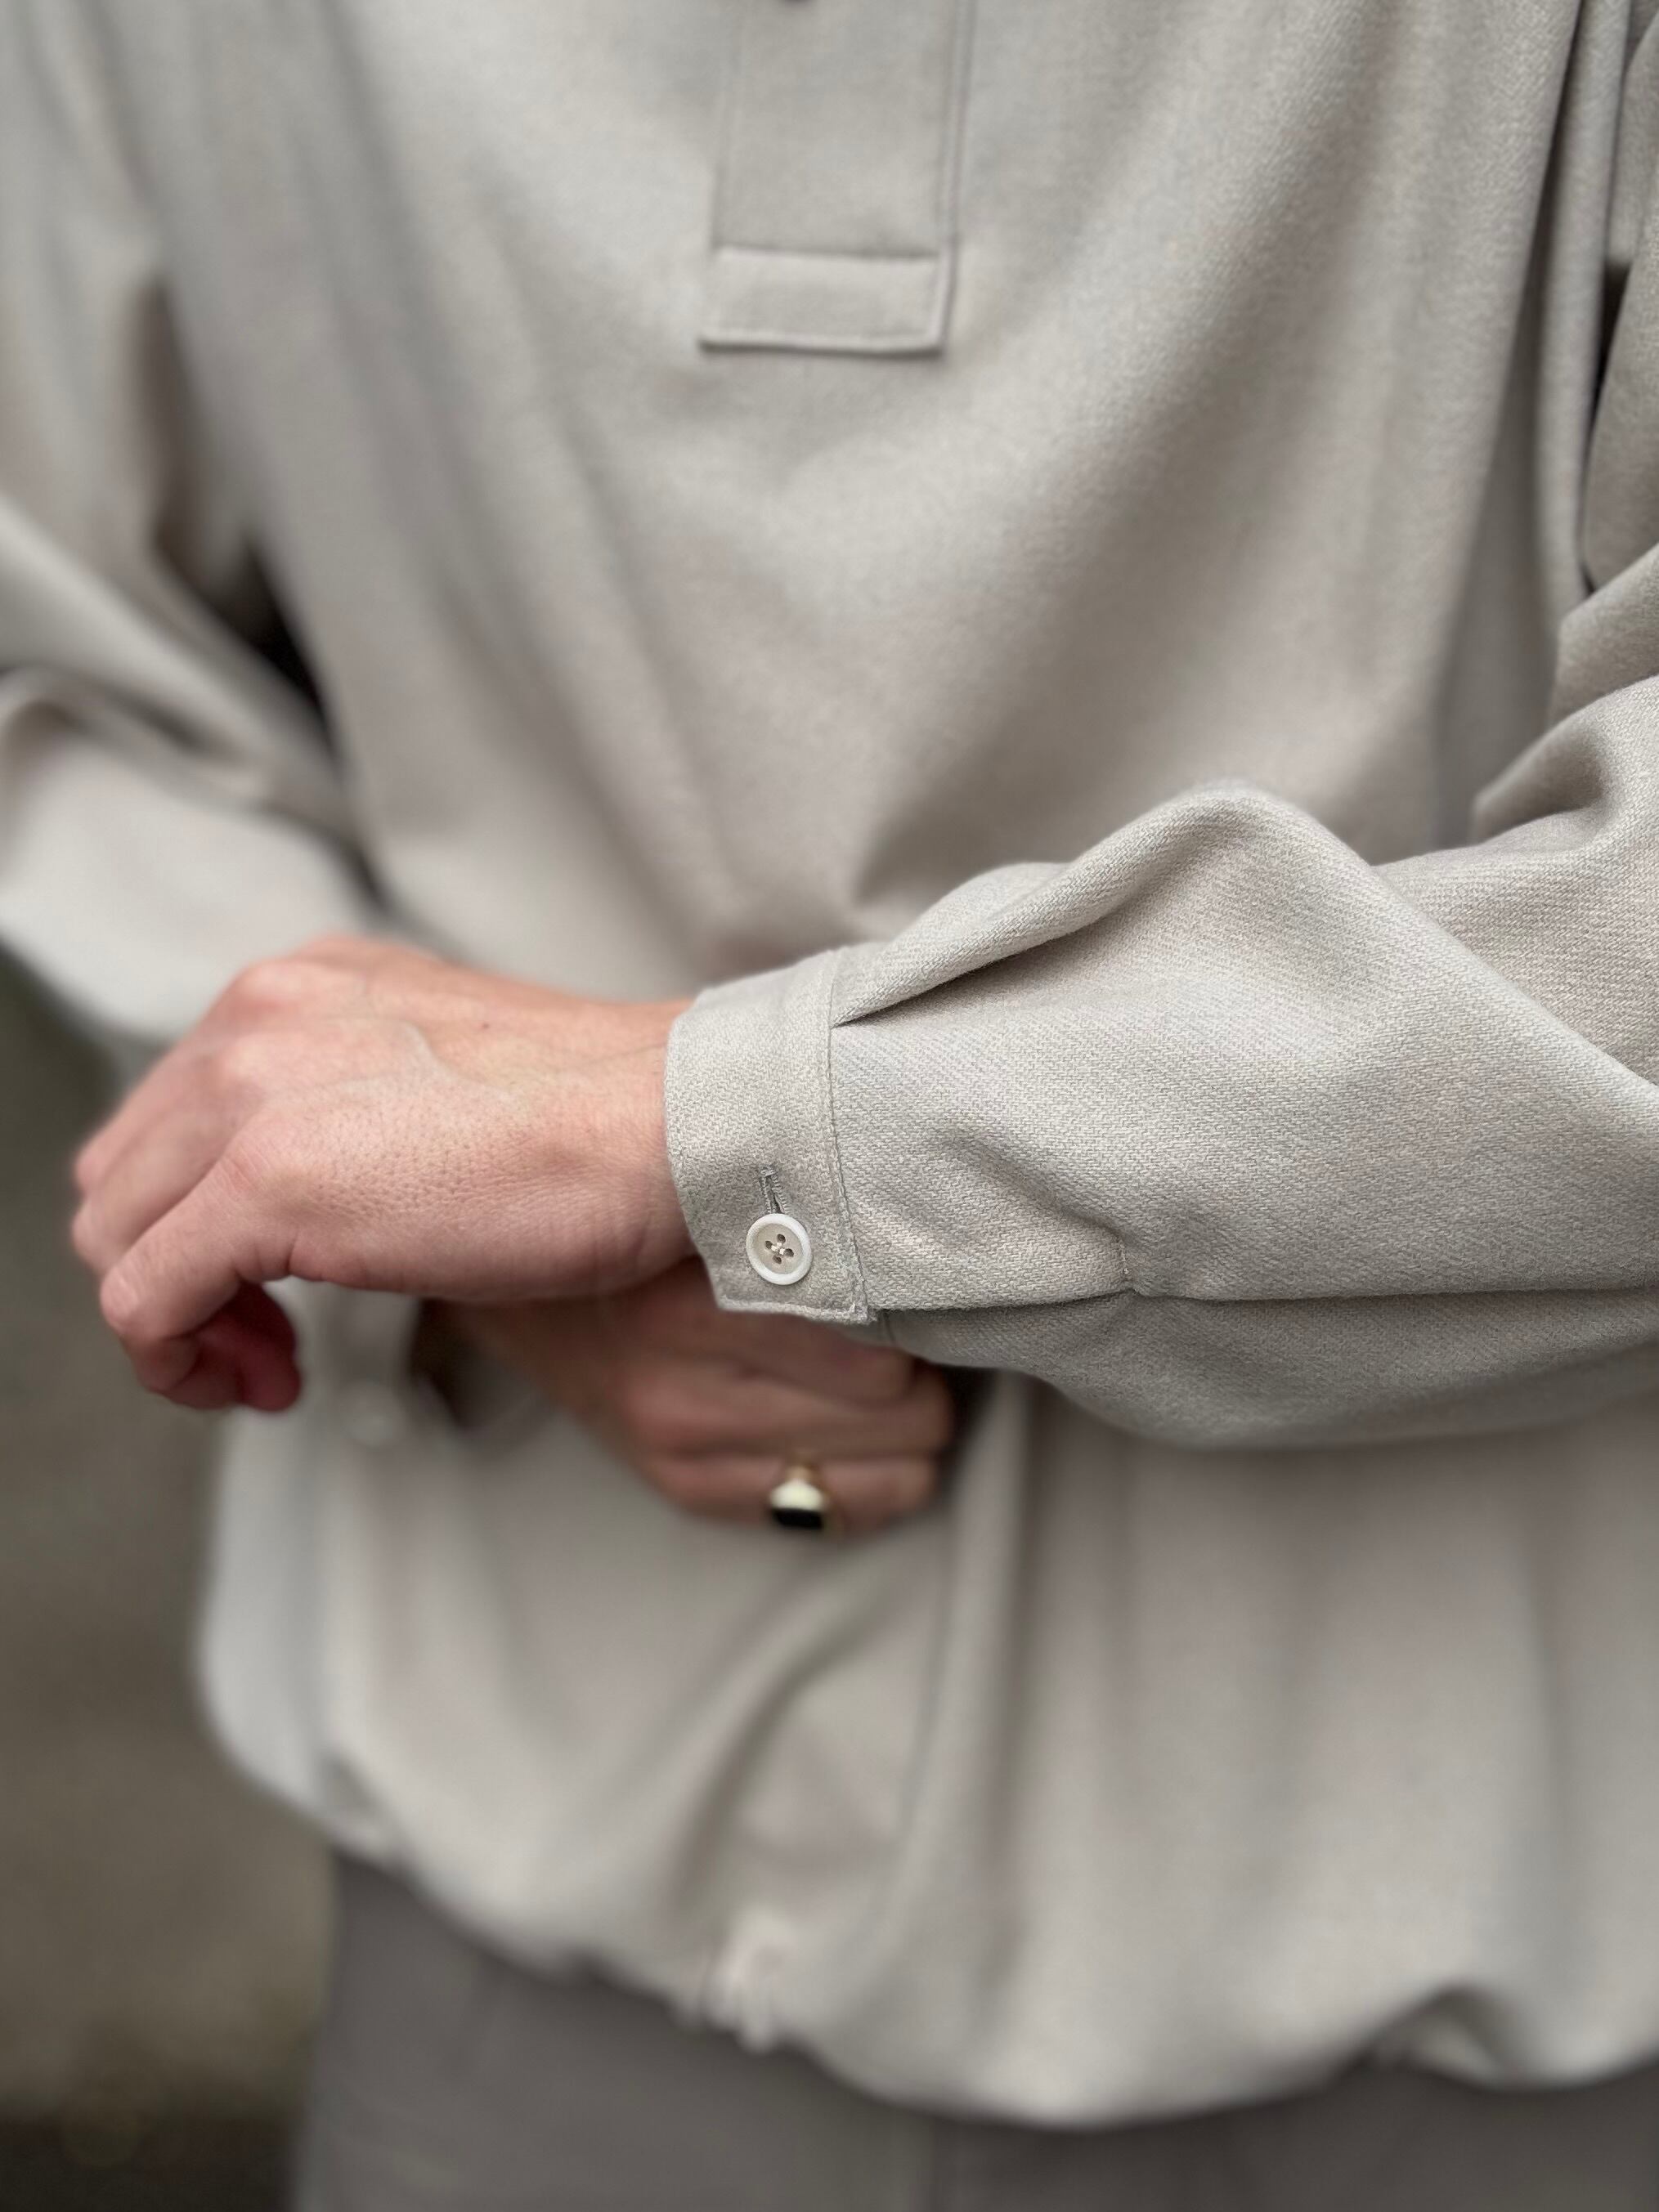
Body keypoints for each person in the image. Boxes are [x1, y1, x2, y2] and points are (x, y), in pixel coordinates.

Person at [6, 0, 1659, 2202]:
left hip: (1500, 1981)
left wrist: (701, 1136)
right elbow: (64, 652)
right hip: (528, 1932)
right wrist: (421, 1220)